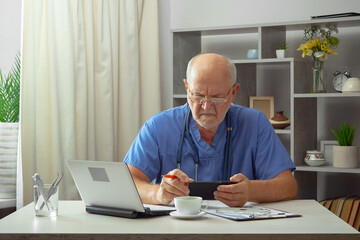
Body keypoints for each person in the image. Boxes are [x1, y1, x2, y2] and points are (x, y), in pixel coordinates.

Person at [124, 53, 297, 207]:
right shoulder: (158, 126)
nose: (206, 106)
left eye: (216, 97)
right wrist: (159, 194)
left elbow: (288, 186)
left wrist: (252, 191)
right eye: (198, 95)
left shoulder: (255, 123)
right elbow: (127, 182)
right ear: (186, 88)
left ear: (233, 92)